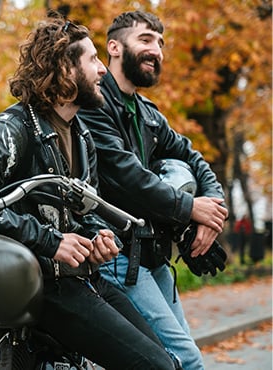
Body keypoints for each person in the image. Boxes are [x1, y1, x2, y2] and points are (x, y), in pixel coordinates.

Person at [0, 14, 175, 370]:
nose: (103, 70)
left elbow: (81, 213)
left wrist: (94, 239)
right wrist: (50, 242)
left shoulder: (83, 135)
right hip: (42, 286)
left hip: (83, 279)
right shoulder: (12, 129)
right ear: (65, 69)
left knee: (168, 363)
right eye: (92, 60)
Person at [79, 10, 229, 370]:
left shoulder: (147, 112)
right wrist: (191, 208)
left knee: (176, 357)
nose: (157, 50)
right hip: (116, 253)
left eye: (161, 43)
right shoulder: (95, 106)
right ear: (114, 47)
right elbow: (127, 177)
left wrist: (213, 210)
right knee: (184, 360)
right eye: (146, 39)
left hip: (151, 253)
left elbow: (193, 158)